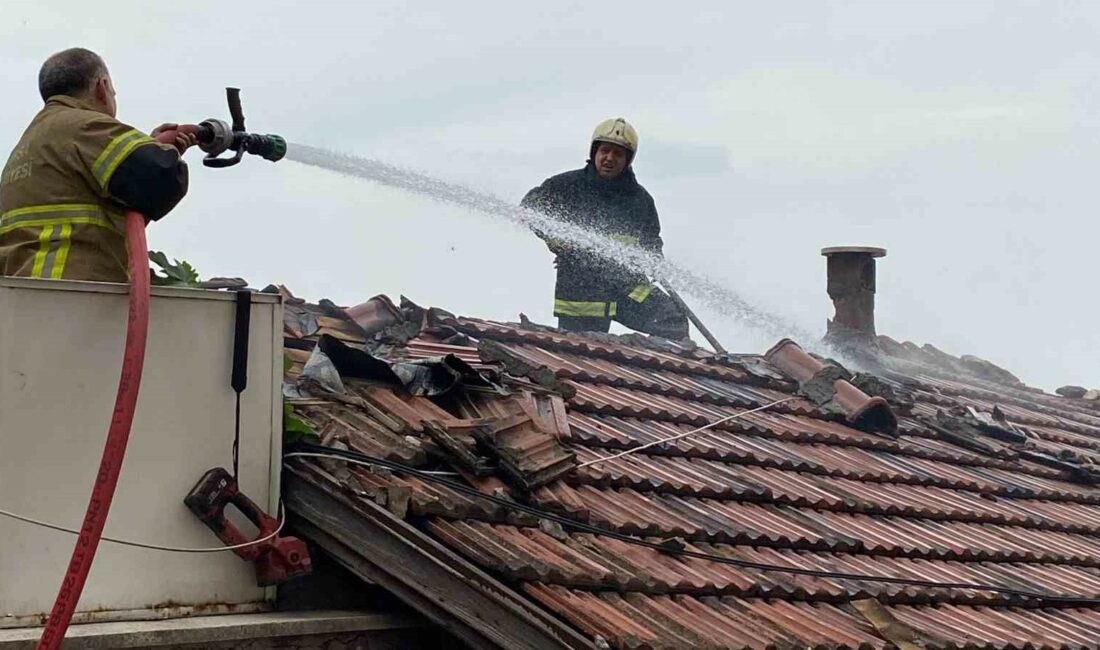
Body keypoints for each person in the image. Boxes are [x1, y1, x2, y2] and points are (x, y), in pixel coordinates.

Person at [0, 47, 196, 283]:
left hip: (24, 296)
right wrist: (164, 153)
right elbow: (162, 176)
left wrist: (149, 147)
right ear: (102, 87)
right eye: (114, 92)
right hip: (71, 293)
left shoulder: (33, 142)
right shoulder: (85, 126)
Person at [521, 117, 689, 340]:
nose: (609, 158)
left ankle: (647, 363)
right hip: (583, 293)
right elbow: (529, 207)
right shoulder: (567, 185)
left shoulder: (640, 200)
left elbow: (652, 241)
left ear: (628, 160)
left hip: (627, 288)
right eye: (605, 151)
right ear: (594, 153)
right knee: (584, 352)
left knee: (672, 319)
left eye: (618, 154)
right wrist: (555, 239)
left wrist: (653, 261)